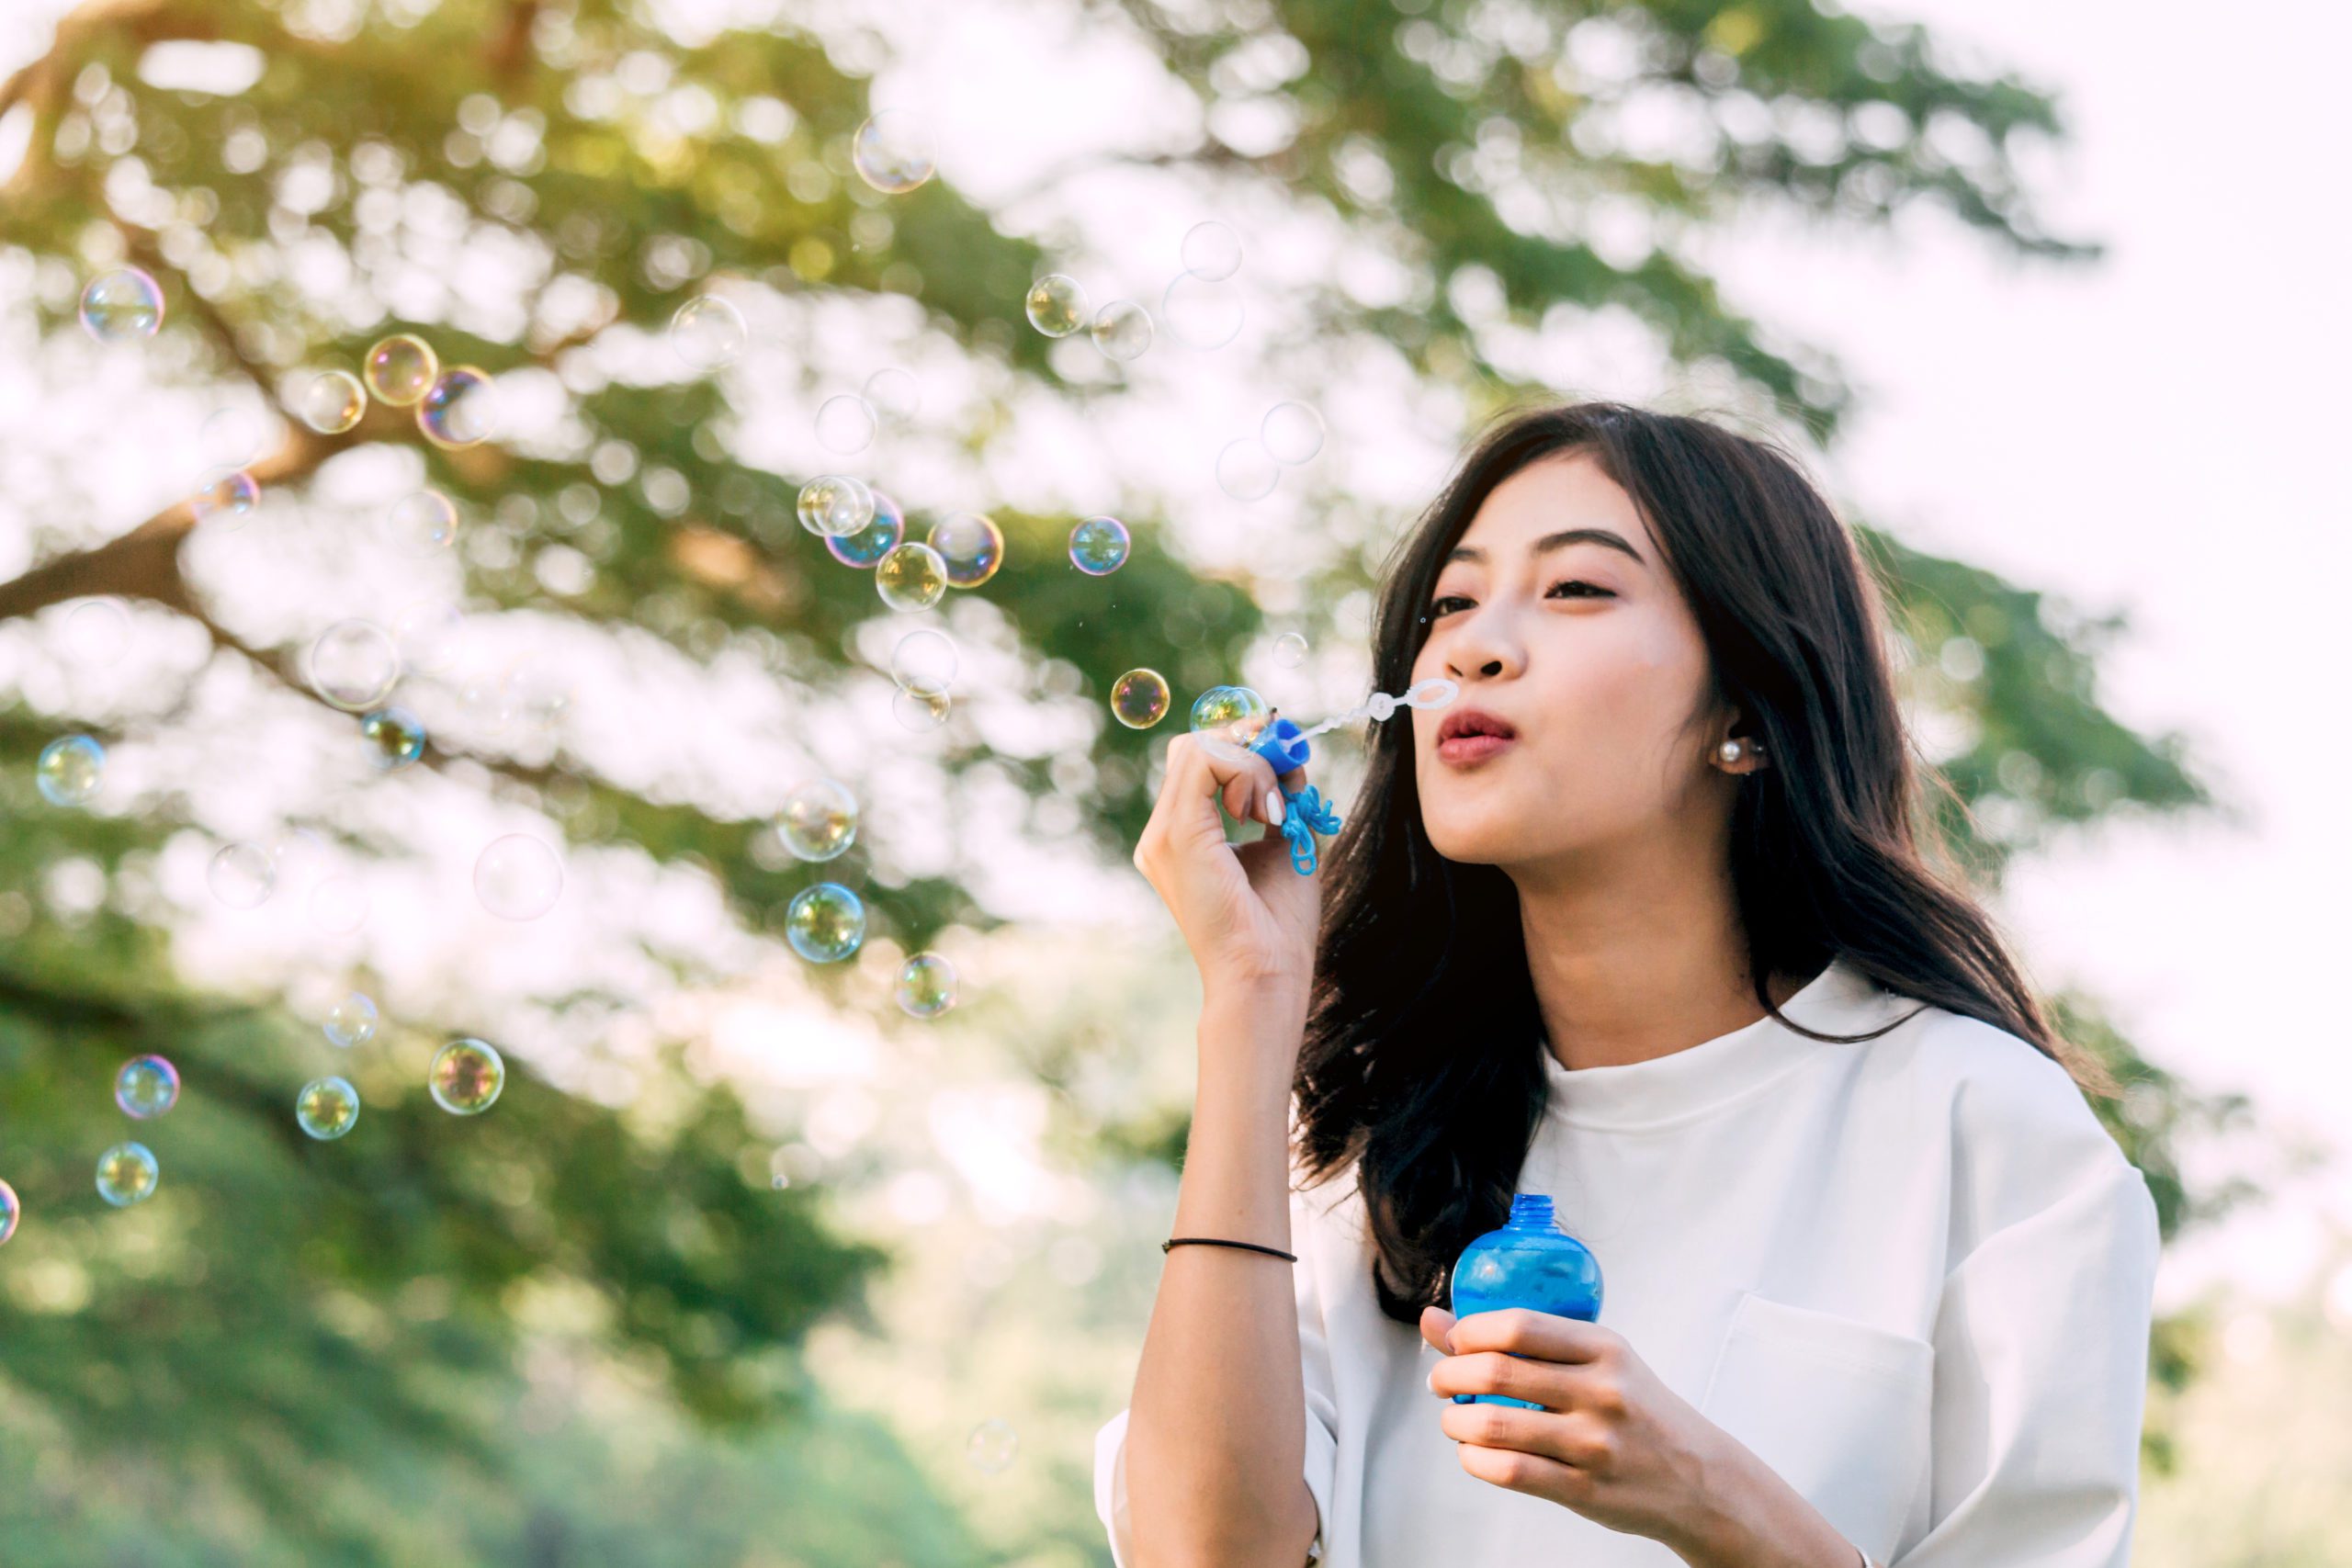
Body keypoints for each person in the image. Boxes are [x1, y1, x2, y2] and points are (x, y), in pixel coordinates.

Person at [1094, 402, 2162, 1568]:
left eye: (1575, 591)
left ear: (1747, 709)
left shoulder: (1983, 1128)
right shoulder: (1364, 1148)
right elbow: (1202, 1557)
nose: (1470, 649)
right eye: (1451, 604)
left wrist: (1714, 1503)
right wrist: (1251, 1002)